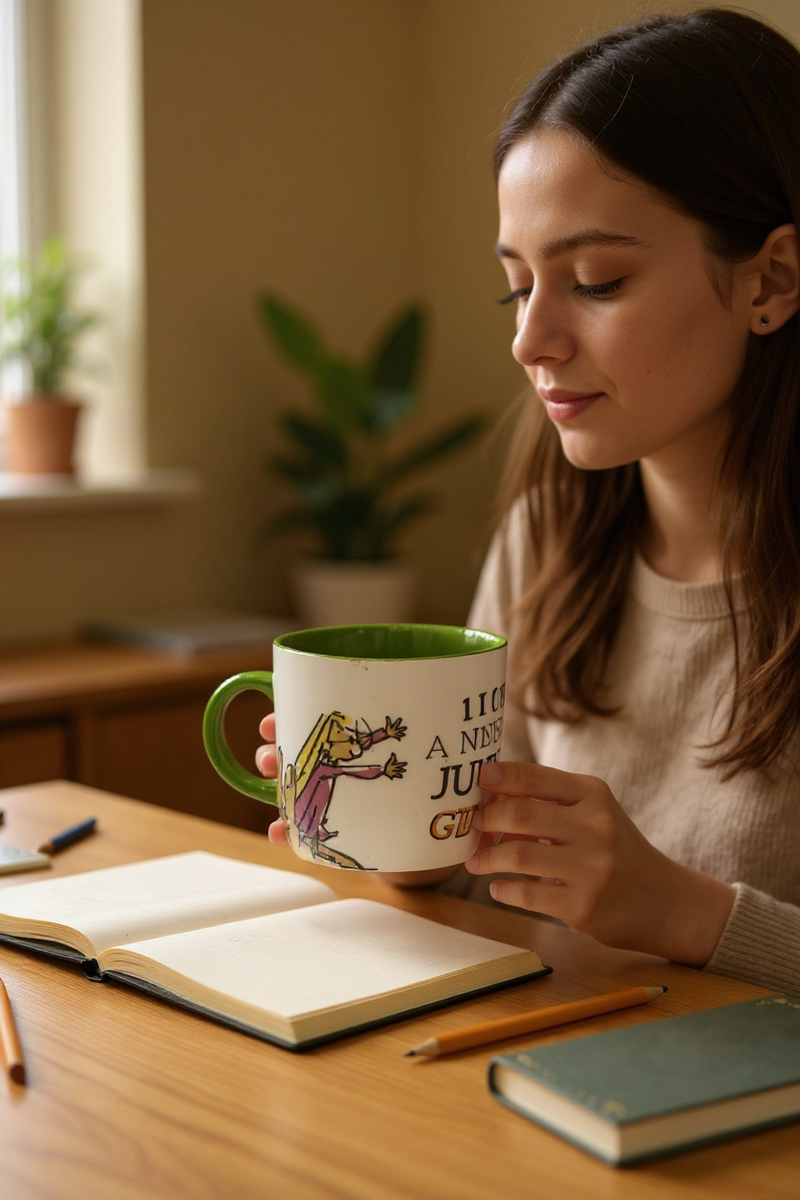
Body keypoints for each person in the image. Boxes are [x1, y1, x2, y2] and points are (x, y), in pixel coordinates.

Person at [258, 8, 800, 995]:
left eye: (595, 281)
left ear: (771, 278)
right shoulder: (545, 538)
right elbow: (488, 881)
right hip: (537, 1084)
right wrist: (402, 834)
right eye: (516, 289)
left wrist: (681, 911)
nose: (530, 339)